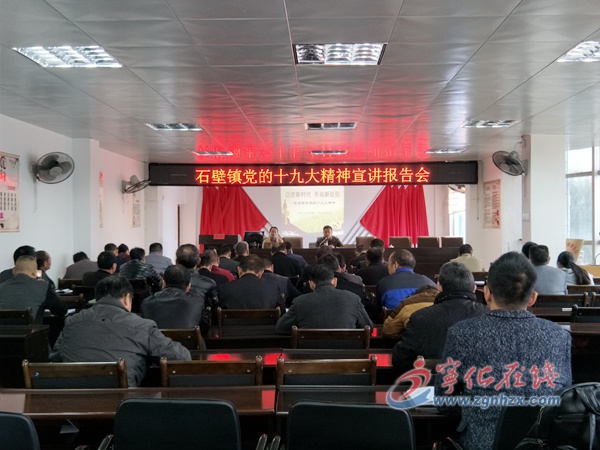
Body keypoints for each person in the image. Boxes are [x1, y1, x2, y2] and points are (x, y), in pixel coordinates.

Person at [435, 252, 572, 449]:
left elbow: (444, 401)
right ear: (533, 297)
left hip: (480, 443)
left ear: (487, 293)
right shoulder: (559, 336)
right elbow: (563, 399)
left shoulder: (462, 333)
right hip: (540, 444)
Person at [51, 276, 191, 387]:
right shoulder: (142, 325)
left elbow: (56, 357)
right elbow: (181, 357)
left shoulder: (72, 321)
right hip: (121, 403)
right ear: (126, 298)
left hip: (72, 401)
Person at [391, 262, 486, 375]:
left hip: (433, 384)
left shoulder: (421, 318)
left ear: (439, 286)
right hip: (482, 383)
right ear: (474, 288)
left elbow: (400, 360)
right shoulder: (489, 315)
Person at [275, 264, 373, 334]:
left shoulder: (299, 302)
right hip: (348, 355)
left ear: (311, 284)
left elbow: (280, 328)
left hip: (309, 356)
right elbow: (369, 327)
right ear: (335, 282)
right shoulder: (353, 299)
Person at [141, 264, 210, 332]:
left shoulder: (146, 303)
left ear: (163, 283)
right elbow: (205, 328)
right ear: (188, 287)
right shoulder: (198, 301)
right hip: (188, 339)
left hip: (156, 339)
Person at [0, 255, 67, 324]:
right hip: (32, 330)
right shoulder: (43, 287)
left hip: (3, 330)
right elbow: (62, 311)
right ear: (34, 272)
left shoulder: (2, 287)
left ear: (14, 271)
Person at [218, 255, 284, 310]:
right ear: (261, 272)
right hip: (265, 322)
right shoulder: (273, 287)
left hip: (234, 322)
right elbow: (282, 312)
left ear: (239, 270)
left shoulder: (224, 289)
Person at [176, 244, 219, 315]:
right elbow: (214, 310)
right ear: (199, 261)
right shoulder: (209, 283)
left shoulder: (169, 280)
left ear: (176, 261)